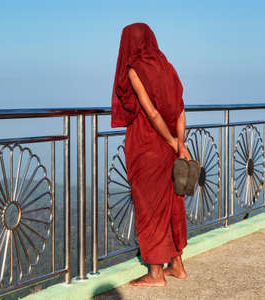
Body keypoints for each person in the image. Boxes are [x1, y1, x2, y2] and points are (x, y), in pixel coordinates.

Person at [111, 23, 190, 287]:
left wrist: (169, 141)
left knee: (149, 207)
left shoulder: (135, 70)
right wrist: (180, 143)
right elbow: (180, 110)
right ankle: (177, 265)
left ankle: (155, 273)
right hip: (170, 149)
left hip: (148, 147)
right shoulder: (168, 67)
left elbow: (152, 113)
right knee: (170, 203)